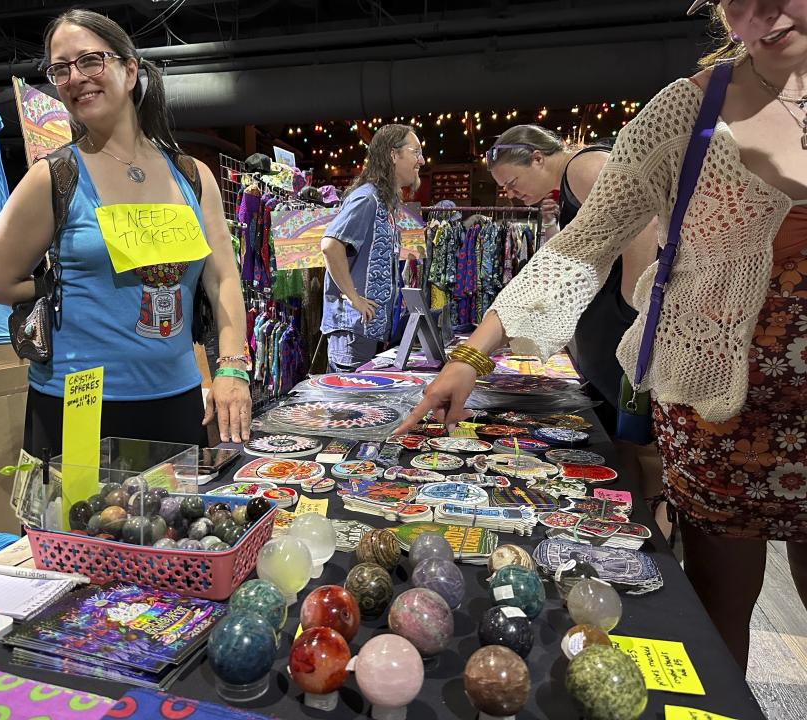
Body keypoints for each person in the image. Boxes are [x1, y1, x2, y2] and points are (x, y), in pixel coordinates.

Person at [397, 0, 807, 671]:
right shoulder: (689, 110)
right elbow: (578, 249)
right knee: (719, 621)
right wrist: (472, 356)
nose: (759, 12)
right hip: (717, 417)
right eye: (735, 0)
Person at [0, 9, 251, 454]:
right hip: (79, 402)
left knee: (176, 524)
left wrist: (232, 367)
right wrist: (59, 284)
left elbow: (221, 277)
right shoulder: (54, 177)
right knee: (81, 525)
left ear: (130, 70)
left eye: (89, 60)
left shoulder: (193, 177)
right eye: (60, 68)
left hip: (177, 398)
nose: (75, 77)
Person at [486, 126, 668, 535]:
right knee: (629, 439)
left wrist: (629, 301)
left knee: (647, 441)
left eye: (512, 183)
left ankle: (661, 538)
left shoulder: (582, 166)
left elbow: (641, 221)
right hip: (613, 326)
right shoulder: (574, 177)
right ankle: (640, 526)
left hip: (624, 323)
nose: (510, 195)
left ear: (537, 157)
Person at [320, 124, 425, 371]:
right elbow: (330, 245)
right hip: (353, 331)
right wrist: (354, 299)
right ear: (393, 154)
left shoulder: (382, 201)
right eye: (415, 151)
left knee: (362, 404)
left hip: (365, 331)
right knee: (350, 405)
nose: (420, 160)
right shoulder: (367, 198)